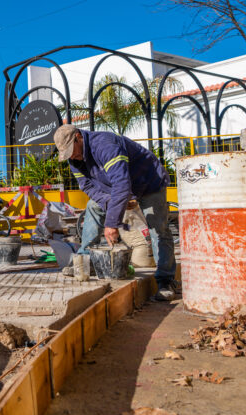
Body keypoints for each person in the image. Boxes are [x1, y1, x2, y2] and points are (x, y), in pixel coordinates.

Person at [53, 124, 177, 301]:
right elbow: (88, 186)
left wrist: (112, 223)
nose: (72, 156)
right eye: (67, 154)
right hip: (121, 187)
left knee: (159, 229)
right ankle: (85, 261)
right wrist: (109, 202)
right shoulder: (74, 159)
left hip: (149, 182)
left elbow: (121, 184)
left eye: (72, 150)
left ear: (78, 137)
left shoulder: (104, 144)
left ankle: (166, 281)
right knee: (92, 207)